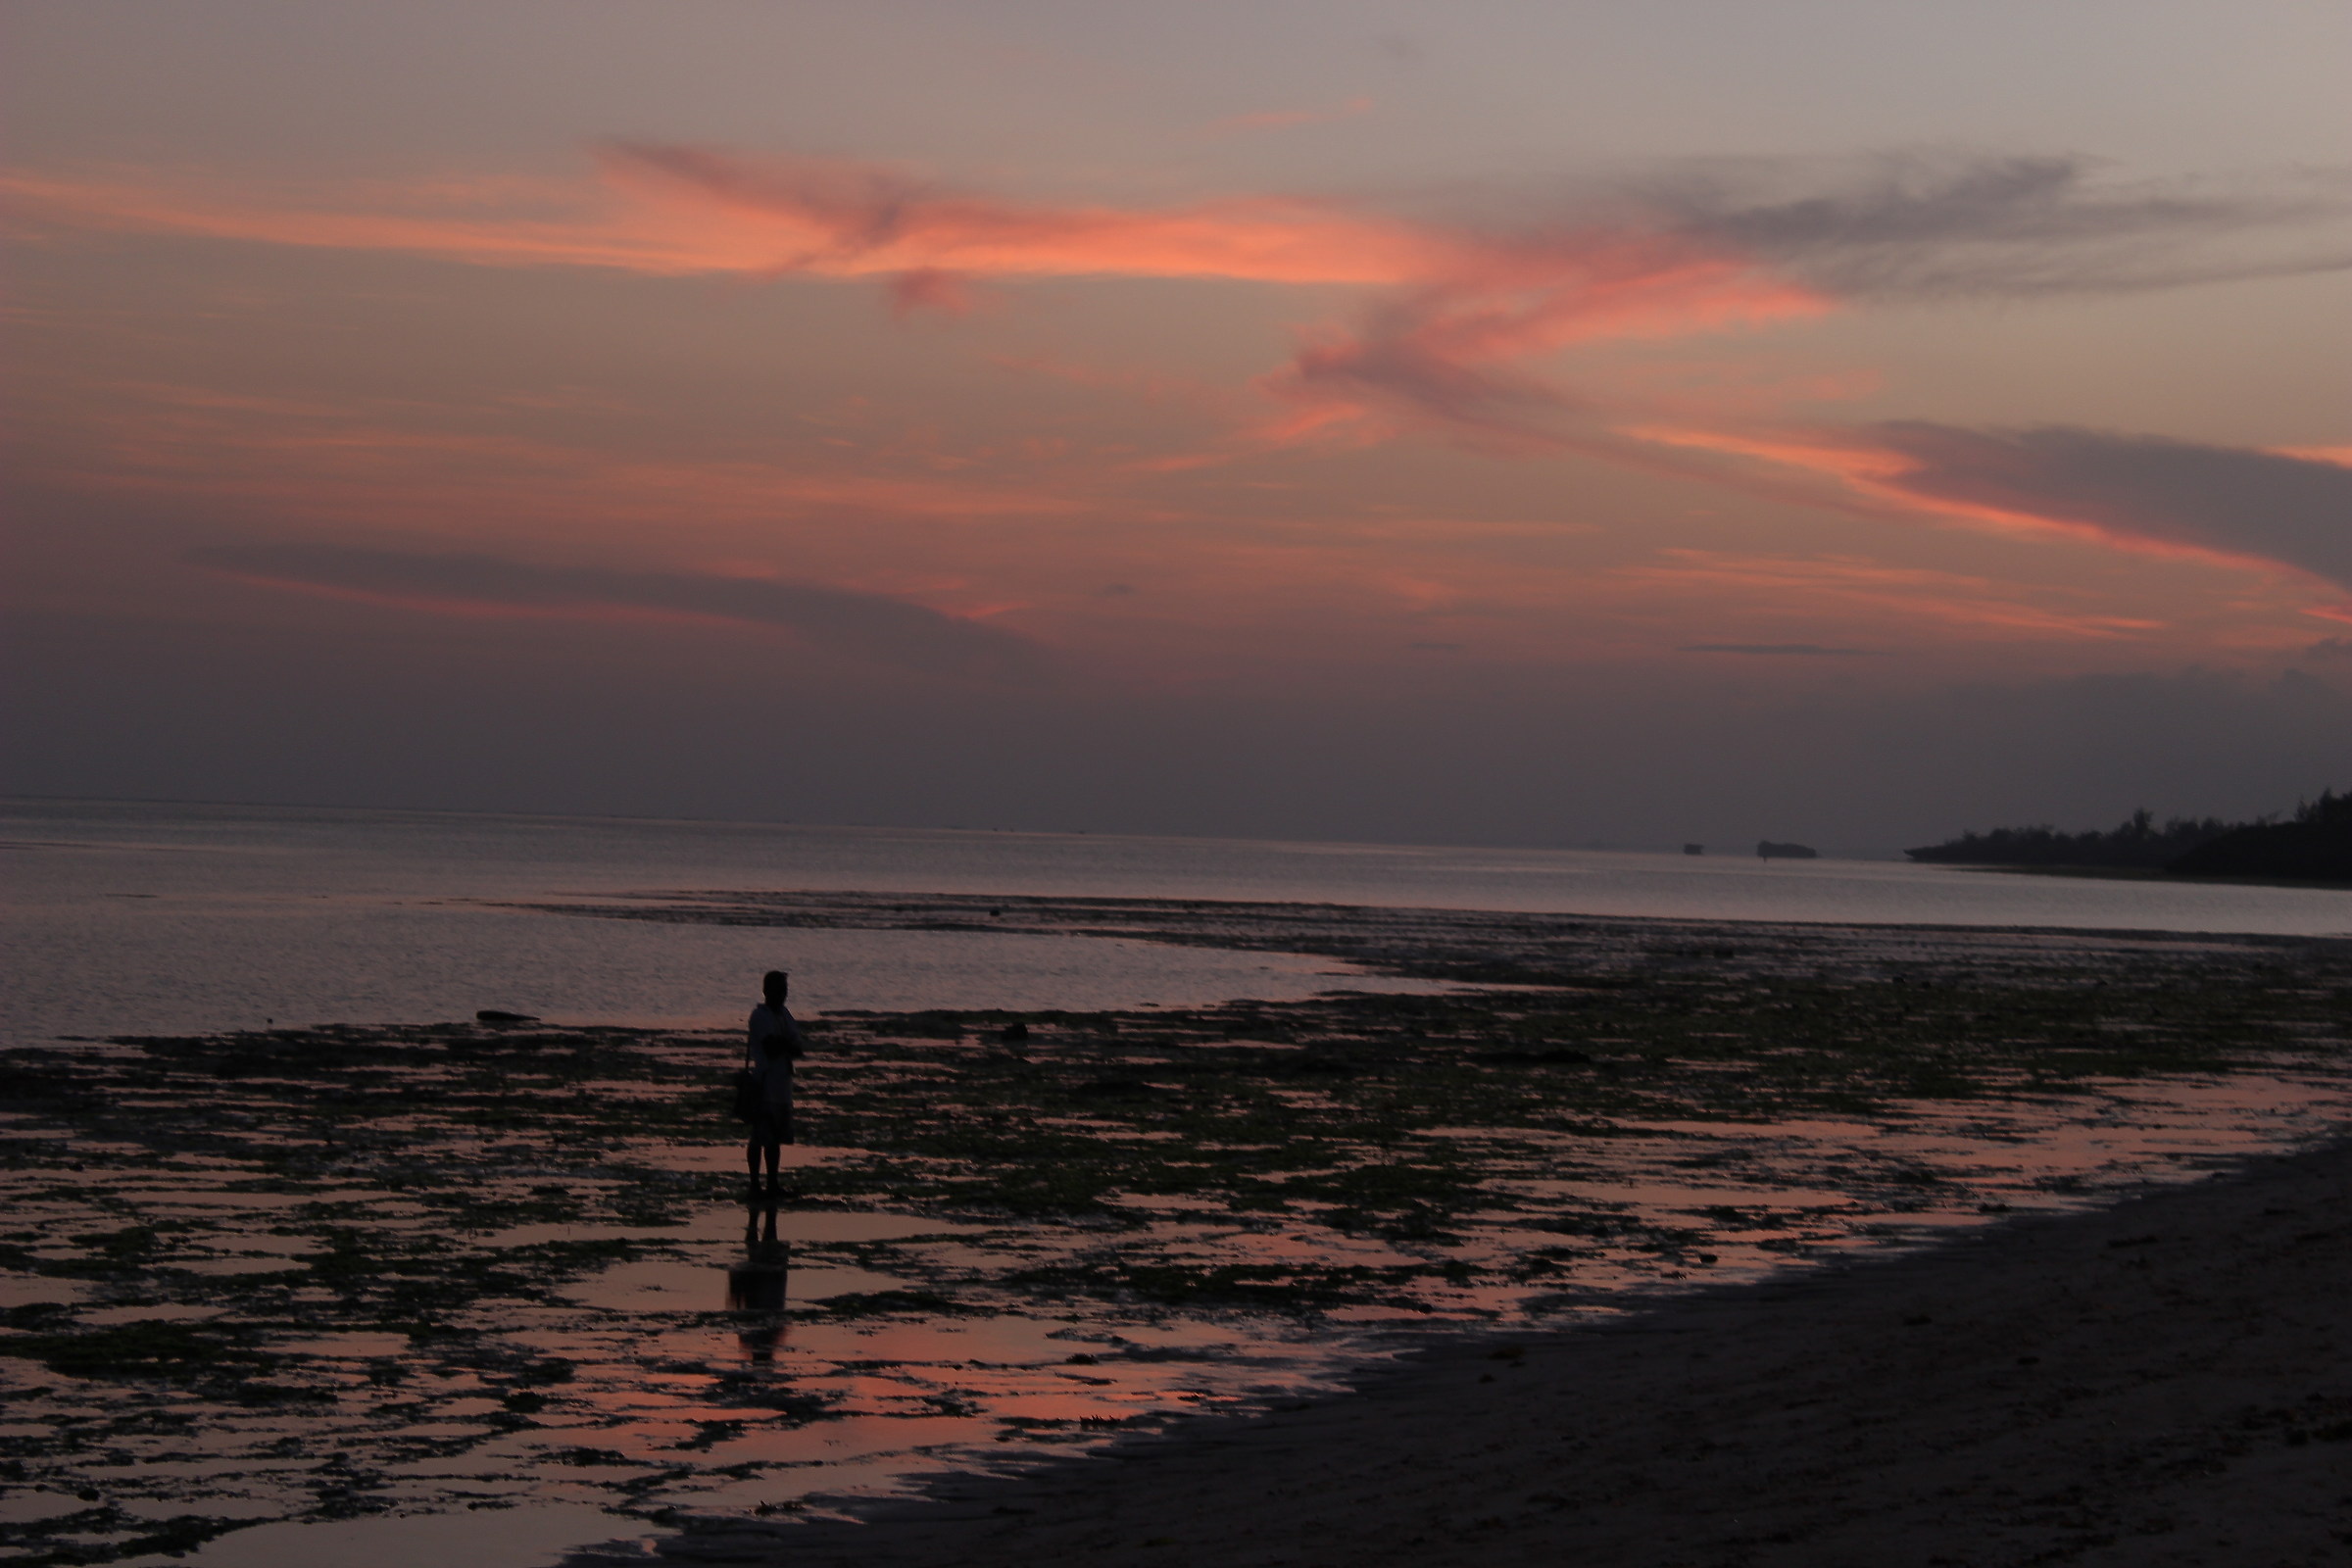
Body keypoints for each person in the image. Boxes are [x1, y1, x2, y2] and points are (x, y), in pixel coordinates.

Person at [745, 970, 807, 1194]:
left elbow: (797, 1046)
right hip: (764, 1083)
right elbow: (771, 1047)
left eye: (784, 990)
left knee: (775, 1138)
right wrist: (786, 1044)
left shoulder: (784, 1014)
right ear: (766, 991)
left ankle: (772, 1183)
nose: (783, 994)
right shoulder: (760, 1016)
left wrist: (785, 1044)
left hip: (783, 1085)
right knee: (759, 1136)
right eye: (779, 989)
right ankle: (754, 1184)